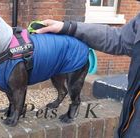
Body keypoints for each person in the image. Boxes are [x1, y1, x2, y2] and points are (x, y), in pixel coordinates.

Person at [35, 8, 140, 138]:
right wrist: (68, 27)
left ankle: (74, 107)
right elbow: (120, 40)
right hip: (128, 124)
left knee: (73, 85)